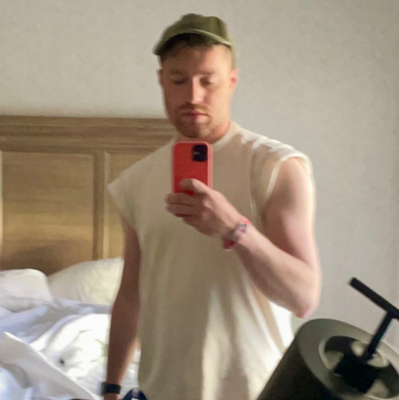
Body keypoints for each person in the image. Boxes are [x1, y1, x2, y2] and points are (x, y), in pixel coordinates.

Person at [102, 13, 321, 400]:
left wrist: (236, 229)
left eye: (208, 80)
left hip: (254, 390)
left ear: (232, 81)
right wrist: (111, 387)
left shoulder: (275, 167)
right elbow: (132, 294)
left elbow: (303, 298)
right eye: (178, 80)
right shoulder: (135, 182)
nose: (193, 95)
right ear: (161, 82)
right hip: (163, 390)